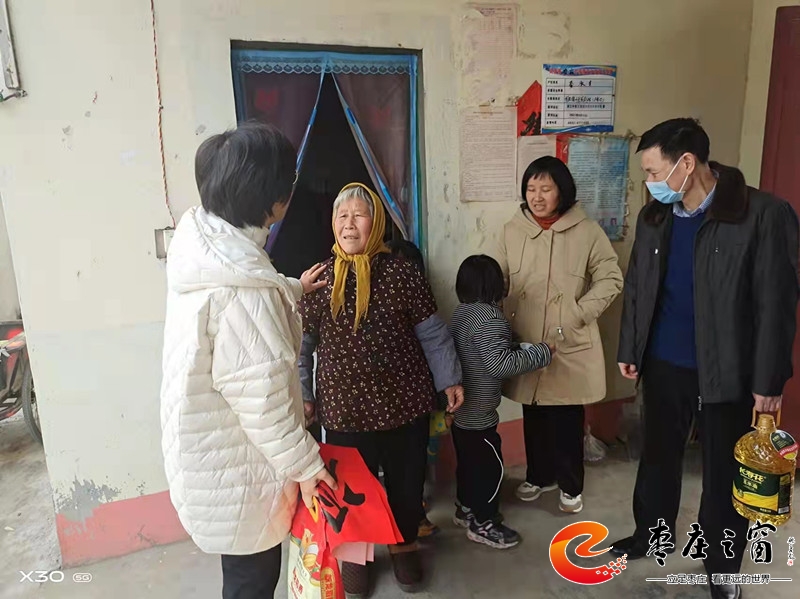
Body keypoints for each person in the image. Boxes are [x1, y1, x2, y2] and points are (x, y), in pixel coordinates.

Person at [612, 118, 799, 599]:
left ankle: (722, 568)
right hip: (664, 363)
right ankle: (650, 534)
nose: (650, 182)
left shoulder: (762, 215)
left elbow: (776, 305)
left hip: (727, 370)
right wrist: (631, 347)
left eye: (654, 171)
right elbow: (637, 286)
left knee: (723, 474)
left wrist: (769, 380)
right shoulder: (655, 216)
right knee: (657, 459)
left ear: (687, 164)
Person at [160, 122, 337, 599]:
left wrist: (293, 287)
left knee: (242, 577)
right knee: (252, 583)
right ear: (271, 198)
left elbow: (252, 298)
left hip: (213, 457)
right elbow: (264, 405)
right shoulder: (241, 293)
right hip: (240, 475)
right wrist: (308, 467)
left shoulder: (208, 249)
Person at [298, 183, 463, 597]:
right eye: (342, 216)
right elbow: (302, 347)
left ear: (377, 224)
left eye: (359, 215)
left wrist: (449, 379)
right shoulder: (317, 280)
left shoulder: (402, 273)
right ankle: (356, 554)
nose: (349, 224)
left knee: (406, 483)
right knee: (351, 488)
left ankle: (404, 546)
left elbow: (432, 334)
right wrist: (304, 394)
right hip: (344, 409)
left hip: (403, 403)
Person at [493, 156, 623, 514]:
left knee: (566, 417)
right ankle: (539, 476)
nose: (537, 197)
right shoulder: (512, 230)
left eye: (545, 189)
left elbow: (611, 278)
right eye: (531, 189)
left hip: (569, 340)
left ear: (562, 192)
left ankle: (570, 485)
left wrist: (578, 313)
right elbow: (497, 276)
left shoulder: (587, 231)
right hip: (527, 338)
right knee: (533, 412)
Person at [450, 255, 552, 549]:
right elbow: (499, 364)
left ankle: (465, 509)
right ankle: (484, 523)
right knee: (490, 469)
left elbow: (484, 350)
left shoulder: (461, 313)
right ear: (494, 284)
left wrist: (513, 344)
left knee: (467, 465)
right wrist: (541, 353)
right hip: (479, 413)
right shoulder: (491, 318)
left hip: (460, 413)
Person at [385, 239, 444, 541]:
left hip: (415, 397)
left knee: (413, 462)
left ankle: (414, 514)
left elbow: (435, 342)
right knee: (395, 463)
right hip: (382, 402)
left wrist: (445, 387)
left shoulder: (420, 300)